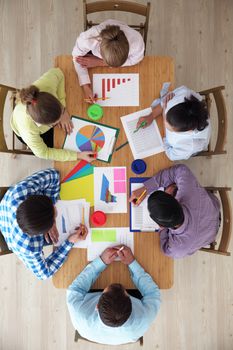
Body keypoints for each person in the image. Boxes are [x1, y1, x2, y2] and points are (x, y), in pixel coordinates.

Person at [0, 168, 88, 280]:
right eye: (54, 217)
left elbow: (54, 175)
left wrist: (50, 210)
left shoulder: (21, 192)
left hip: (8, 211)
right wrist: (70, 241)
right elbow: (44, 274)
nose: (56, 209)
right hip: (10, 234)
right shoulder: (30, 247)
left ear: (32, 198)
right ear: (41, 232)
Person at [66, 246, 161, 345]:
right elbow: (153, 293)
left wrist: (101, 262)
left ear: (97, 306)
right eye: (124, 291)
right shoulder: (144, 319)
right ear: (131, 302)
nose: (116, 284)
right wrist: (132, 262)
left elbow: (75, 289)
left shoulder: (79, 314)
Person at [129, 164, 220, 258]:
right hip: (213, 208)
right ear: (174, 199)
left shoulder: (179, 247)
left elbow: (166, 248)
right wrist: (145, 188)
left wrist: (163, 230)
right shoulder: (187, 191)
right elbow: (181, 169)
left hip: (210, 232)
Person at [11, 68, 96, 161]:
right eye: (54, 123)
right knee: (61, 144)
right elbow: (44, 153)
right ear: (45, 125)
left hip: (42, 117)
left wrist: (64, 111)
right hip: (24, 131)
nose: (58, 121)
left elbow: (58, 73)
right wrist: (78, 156)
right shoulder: (28, 130)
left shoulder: (46, 86)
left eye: (60, 112)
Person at [72, 19, 145, 102]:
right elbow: (76, 57)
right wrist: (85, 86)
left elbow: (135, 60)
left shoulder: (137, 42)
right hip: (93, 50)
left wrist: (99, 62)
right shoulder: (87, 39)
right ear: (100, 51)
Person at [136, 85, 210, 160]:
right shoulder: (181, 95)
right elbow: (163, 103)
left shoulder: (191, 145)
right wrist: (151, 116)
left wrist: (165, 137)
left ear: (189, 131)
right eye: (166, 117)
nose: (165, 123)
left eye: (170, 127)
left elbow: (171, 155)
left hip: (182, 148)